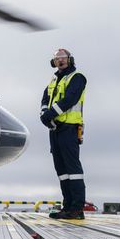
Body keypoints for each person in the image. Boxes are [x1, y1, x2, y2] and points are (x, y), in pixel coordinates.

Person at [40, 48, 87, 220]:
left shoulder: (77, 78)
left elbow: (70, 99)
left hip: (69, 128)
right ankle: (67, 206)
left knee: (73, 169)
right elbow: (45, 98)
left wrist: (50, 114)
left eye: (63, 58)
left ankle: (77, 209)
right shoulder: (54, 79)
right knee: (61, 170)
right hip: (55, 129)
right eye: (57, 59)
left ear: (70, 60)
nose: (60, 61)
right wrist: (44, 116)